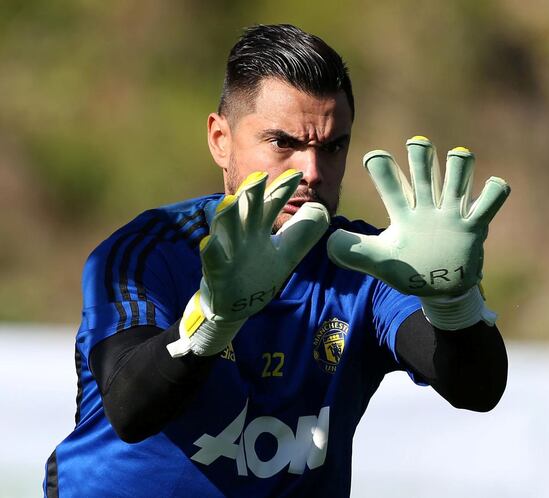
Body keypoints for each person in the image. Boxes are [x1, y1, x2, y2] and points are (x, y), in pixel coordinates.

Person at [43, 24, 510, 497]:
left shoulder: (368, 264)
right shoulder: (146, 252)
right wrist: (214, 318)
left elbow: (478, 390)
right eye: (283, 143)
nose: (311, 172)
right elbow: (129, 407)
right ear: (220, 139)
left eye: (332, 147)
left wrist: (454, 302)